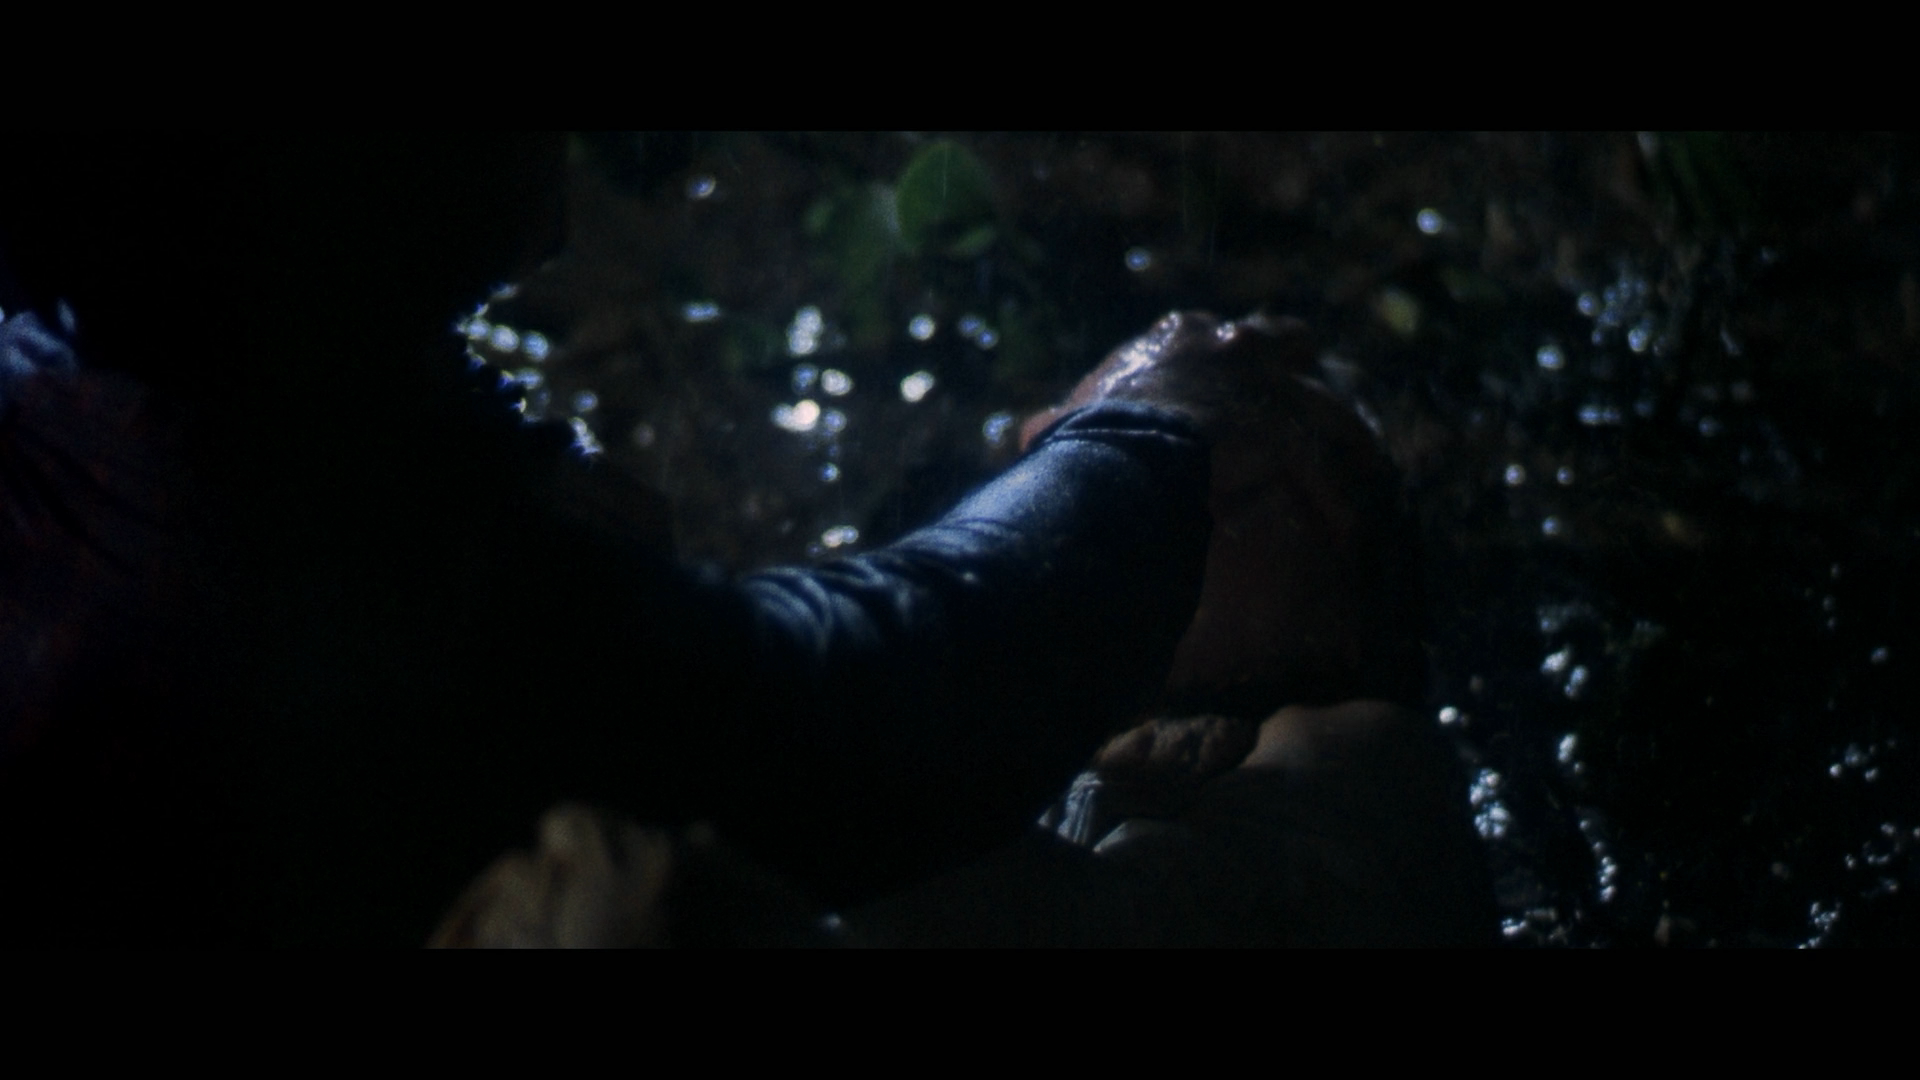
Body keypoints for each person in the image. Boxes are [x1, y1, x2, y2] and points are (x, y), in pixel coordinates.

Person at [1, 135, 1490, 947]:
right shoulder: (226, 586)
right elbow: (839, 718)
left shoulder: (94, 355)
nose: (556, 235)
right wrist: (1151, 444)